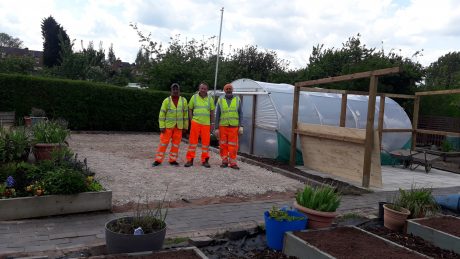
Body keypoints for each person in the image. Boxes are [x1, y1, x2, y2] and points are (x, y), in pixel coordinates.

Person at [152, 83, 188, 167]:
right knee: (163, 143)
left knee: (176, 145)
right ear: (171, 91)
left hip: (178, 127)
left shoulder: (184, 101)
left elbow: (185, 115)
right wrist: (162, 126)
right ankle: (158, 160)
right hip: (167, 127)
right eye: (173, 89)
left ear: (179, 91)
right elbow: (161, 114)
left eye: (177, 89)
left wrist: (185, 127)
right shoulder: (166, 100)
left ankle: (173, 160)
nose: (175, 91)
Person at [184, 82, 215, 168]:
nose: (203, 90)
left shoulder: (210, 99)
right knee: (192, 142)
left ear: (207, 90)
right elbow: (190, 108)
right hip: (196, 123)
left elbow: (212, 112)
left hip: (206, 124)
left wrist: (212, 123)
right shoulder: (194, 97)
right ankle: (190, 160)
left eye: (205, 88)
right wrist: (191, 119)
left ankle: (205, 160)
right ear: (199, 88)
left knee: (206, 143)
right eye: (202, 88)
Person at [214, 83, 243, 170]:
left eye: (230, 88)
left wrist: (241, 126)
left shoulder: (237, 99)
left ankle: (233, 163)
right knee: (223, 145)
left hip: (234, 127)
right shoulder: (220, 100)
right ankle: (224, 161)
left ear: (232, 90)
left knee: (233, 146)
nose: (229, 90)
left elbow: (240, 113)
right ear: (224, 90)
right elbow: (217, 114)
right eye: (227, 89)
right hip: (223, 126)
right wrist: (216, 128)